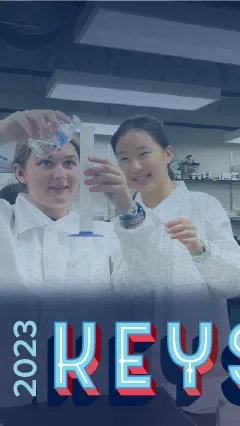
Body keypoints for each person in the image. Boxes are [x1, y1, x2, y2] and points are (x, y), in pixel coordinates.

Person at [0, 110, 172, 413]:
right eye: (45, 162)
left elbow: (149, 280)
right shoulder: (5, 227)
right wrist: (3, 131)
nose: (59, 174)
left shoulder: (104, 236)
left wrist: (127, 208)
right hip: (14, 400)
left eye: (69, 163)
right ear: (20, 173)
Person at [110, 114, 240, 414]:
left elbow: (236, 283)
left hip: (201, 365)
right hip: (140, 367)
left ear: (168, 154)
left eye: (144, 154)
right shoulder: (121, 223)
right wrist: (132, 225)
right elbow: (125, 291)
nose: (135, 167)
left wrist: (200, 250)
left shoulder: (204, 207)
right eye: (124, 159)